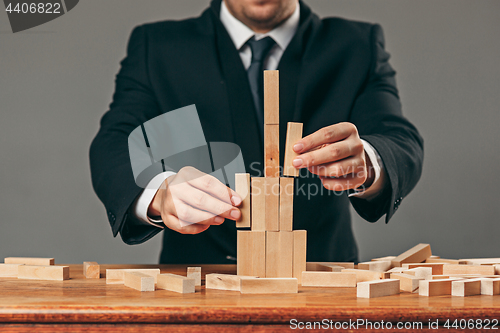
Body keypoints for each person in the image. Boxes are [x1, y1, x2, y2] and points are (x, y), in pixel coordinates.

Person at [90, 0, 423, 264]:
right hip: (199, 281)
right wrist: (159, 193)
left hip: (322, 280)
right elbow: (115, 142)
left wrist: (366, 160)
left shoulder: (356, 45)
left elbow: (398, 139)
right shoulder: (158, 46)